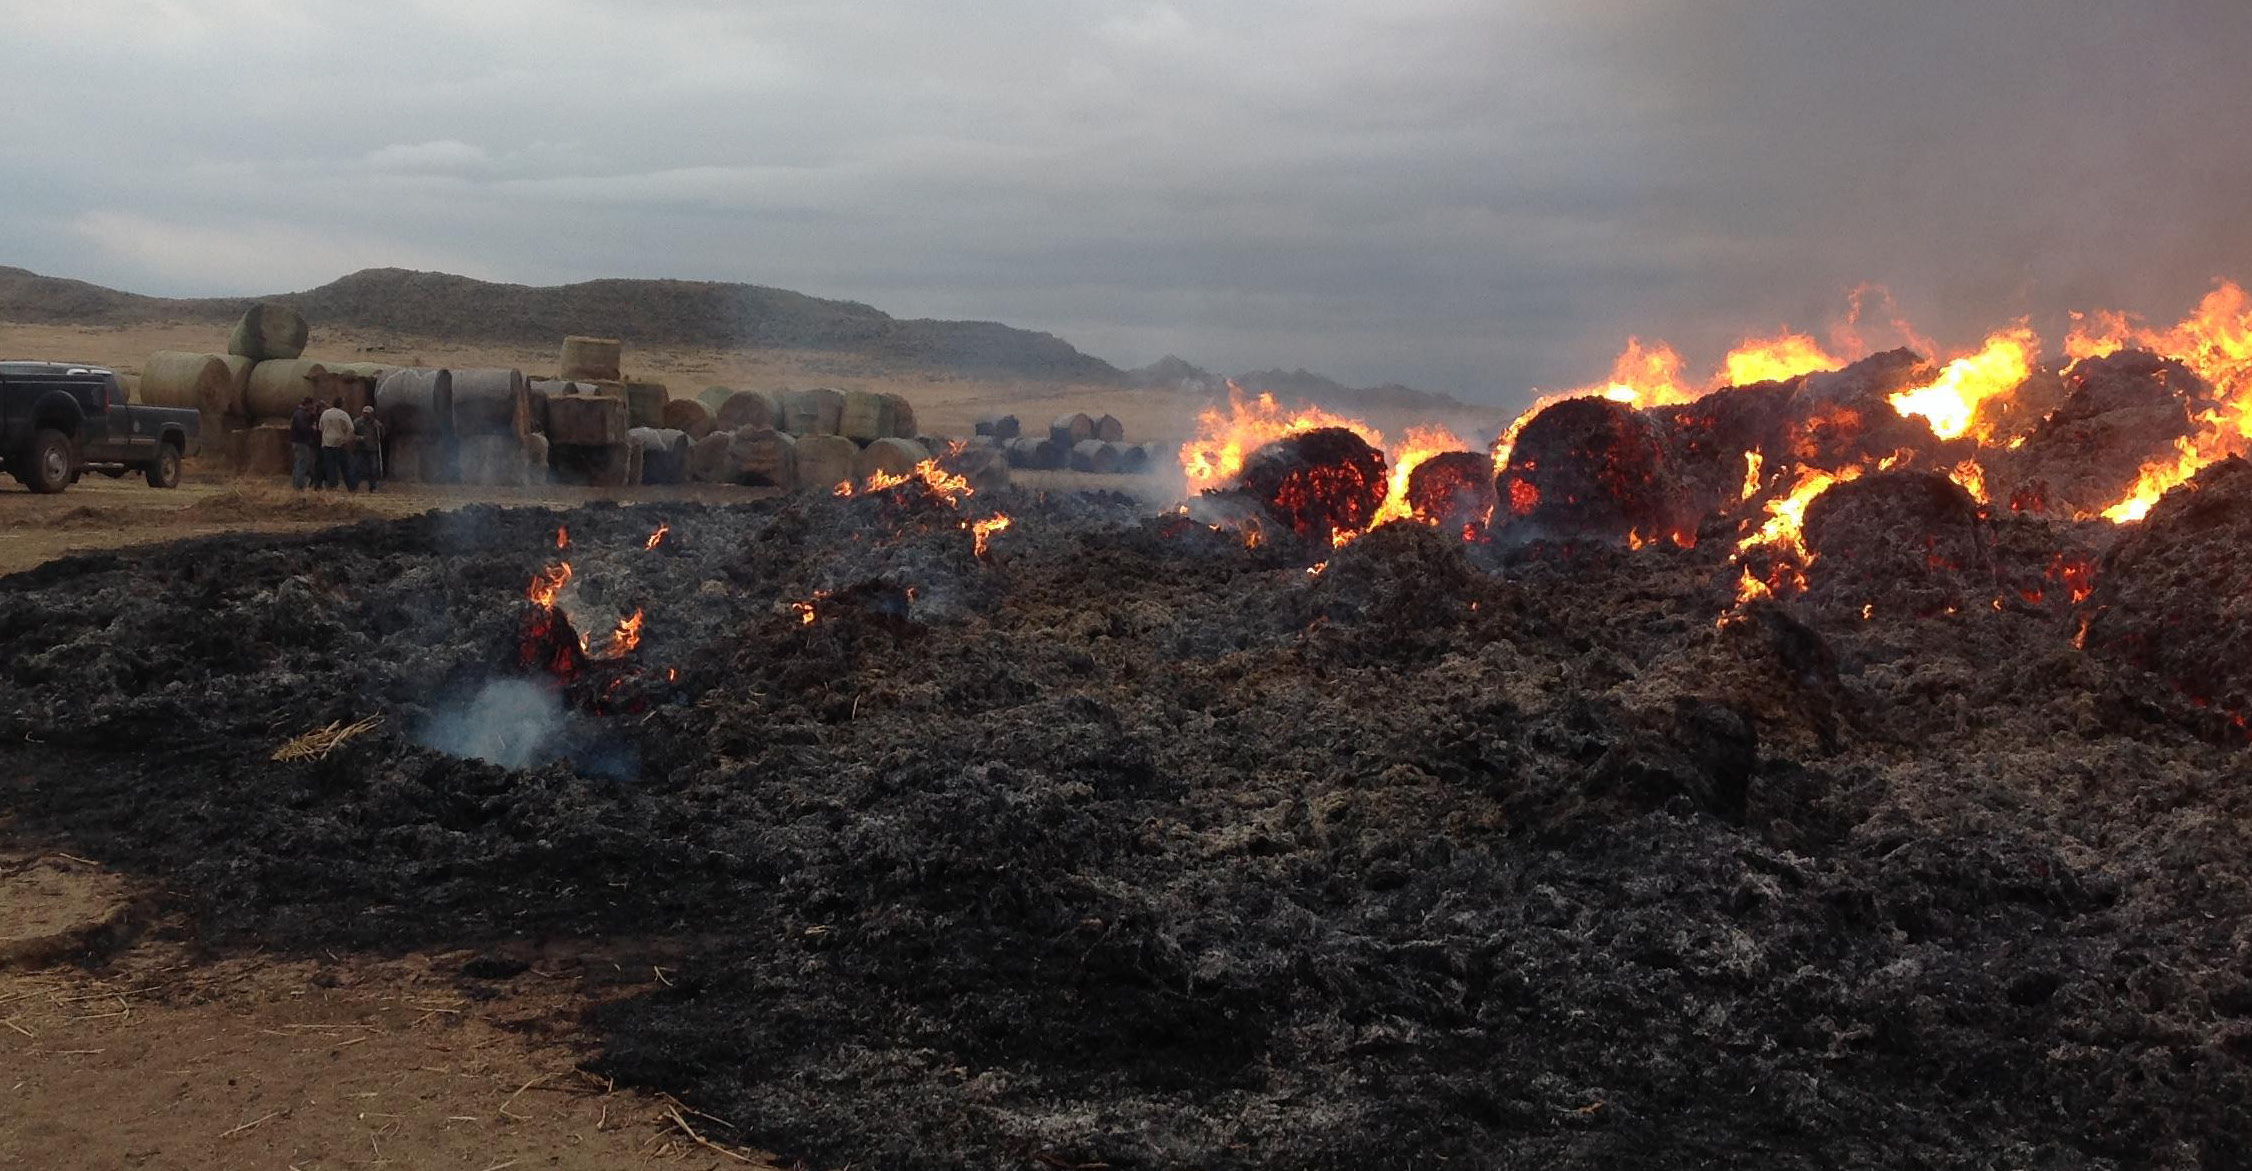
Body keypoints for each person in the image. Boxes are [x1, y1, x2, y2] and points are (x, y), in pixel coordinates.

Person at [318, 398, 356, 490]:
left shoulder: (325, 413)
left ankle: (332, 485)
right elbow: (351, 428)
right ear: (342, 404)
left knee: (330, 466)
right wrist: (346, 439)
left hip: (327, 443)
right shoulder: (343, 414)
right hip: (340, 443)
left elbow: (320, 427)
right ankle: (351, 486)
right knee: (345, 466)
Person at [287, 396, 320, 490]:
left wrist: (313, 415)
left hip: (298, 441)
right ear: (308, 404)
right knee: (303, 464)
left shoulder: (300, 413)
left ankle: (296, 484)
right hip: (301, 441)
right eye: (311, 405)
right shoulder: (300, 414)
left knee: (298, 463)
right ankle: (299, 486)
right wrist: (312, 429)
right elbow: (302, 427)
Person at [352, 406, 385, 492]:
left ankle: (373, 486)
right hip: (360, 448)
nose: (366, 415)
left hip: (372, 449)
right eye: (365, 413)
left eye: (368, 413)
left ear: (371, 414)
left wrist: (380, 428)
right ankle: (354, 486)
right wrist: (360, 438)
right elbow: (351, 435)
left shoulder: (376, 424)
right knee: (357, 467)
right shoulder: (357, 422)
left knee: (373, 468)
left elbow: (382, 435)